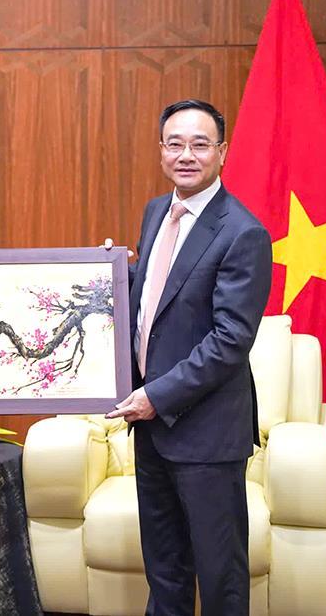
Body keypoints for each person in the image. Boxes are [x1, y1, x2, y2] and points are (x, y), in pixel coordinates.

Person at [106, 99, 272, 615]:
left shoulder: (244, 232)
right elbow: (156, 301)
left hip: (205, 433)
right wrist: (105, 275)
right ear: (160, 150)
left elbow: (229, 340)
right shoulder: (158, 210)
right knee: (165, 569)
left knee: (220, 577)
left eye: (200, 144)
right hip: (153, 429)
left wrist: (156, 397)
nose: (186, 155)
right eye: (175, 144)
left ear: (222, 152)